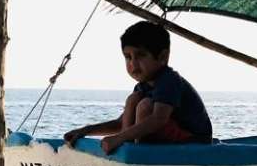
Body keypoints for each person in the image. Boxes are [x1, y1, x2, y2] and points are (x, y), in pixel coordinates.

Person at [64, 21, 212, 154]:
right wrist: (85, 131)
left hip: (194, 142)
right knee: (134, 100)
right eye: (128, 57)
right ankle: (127, 150)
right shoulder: (142, 87)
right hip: (171, 138)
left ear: (162, 57)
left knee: (145, 106)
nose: (133, 64)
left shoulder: (169, 80)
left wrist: (119, 138)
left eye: (140, 55)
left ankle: (138, 153)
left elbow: (158, 119)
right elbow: (121, 123)